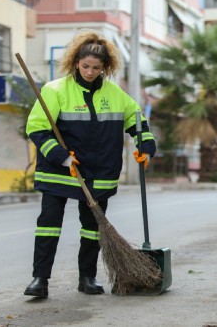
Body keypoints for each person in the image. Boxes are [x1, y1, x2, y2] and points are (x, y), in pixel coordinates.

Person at [23, 31, 156, 298]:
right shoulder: (55, 90)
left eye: (96, 68)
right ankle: (40, 279)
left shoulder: (115, 94)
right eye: (85, 66)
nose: (90, 72)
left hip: (100, 172)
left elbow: (138, 122)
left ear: (105, 68)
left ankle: (88, 278)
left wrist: (146, 147)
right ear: (75, 63)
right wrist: (61, 156)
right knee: (49, 223)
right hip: (59, 171)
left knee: (92, 229)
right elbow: (37, 129)